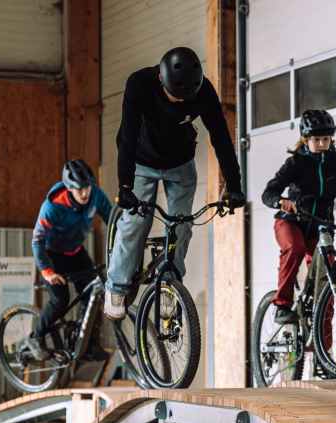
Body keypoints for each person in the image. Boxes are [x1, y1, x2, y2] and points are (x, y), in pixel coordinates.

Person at [105, 46, 246, 319]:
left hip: (180, 164)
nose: (181, 103)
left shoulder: (204, 92)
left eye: (186, 99)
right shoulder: (139, 84)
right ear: (161, 79)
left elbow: (221, 138)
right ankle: (117, 285)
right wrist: (124, 186)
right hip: (141, 162)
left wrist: (235, 185)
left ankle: (170, 283)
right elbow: (128, 136)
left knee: (181, 224)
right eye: (175, 97)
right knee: (136, 221)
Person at [261, 109, 336, 324]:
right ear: (306, 139)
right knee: (294, 248)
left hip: (321, 227)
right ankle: (282, 305)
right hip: (291, 221)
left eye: (326, 139)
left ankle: (323, 353)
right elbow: (268, 193)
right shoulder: (296, 162)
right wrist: (280, 201)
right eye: (316, 139)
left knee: (327, 282)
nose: (322, 143)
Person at [27, 159, 114, 360]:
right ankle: (36, 337)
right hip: (52, 255)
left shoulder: (96, 196)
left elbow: (113, 220)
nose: (85, 193)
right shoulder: (52, 206)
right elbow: (37, 241)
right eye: (79, 189)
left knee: (94, 293)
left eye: (87, 187)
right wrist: (47, 271)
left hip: (75, 251)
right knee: (60, 300)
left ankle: (88, 345)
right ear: (69, 188)